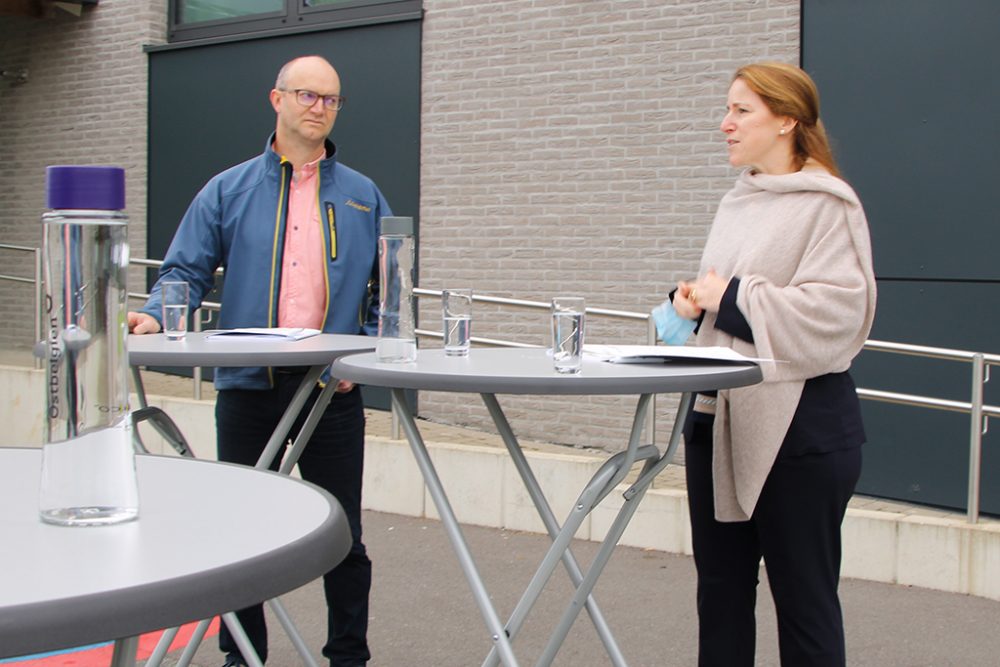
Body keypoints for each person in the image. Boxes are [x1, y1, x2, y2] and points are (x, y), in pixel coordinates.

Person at [129, 55, 390, 667]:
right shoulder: (229, 188)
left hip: (332, 390)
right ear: (276, 99)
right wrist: (155, 314)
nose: (319, 107)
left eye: (331, 99)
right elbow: (184, 272)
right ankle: (242, 657)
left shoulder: (362, 196)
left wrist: (361, 356)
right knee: (239, 534)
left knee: (342, 536)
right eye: (307, 95)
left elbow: (392, 290)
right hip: (248, 384)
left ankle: (349, 657)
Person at [655, 62, 876, 666]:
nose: (725, 124)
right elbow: (722, 306)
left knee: (804, 605)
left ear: (787, 121)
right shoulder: (738, 203)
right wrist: (691, 300)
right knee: (720, 599)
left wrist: (728, 296)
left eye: (741, 111)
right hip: (718, 421)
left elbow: (837, 315)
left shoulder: (828, 207)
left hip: (801, 432)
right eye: (726, 110)